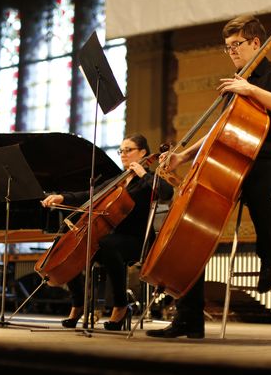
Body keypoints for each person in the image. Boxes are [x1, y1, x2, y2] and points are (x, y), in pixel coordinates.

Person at [146, 15, 271, 338]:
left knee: (258, 181)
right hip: (238, 161)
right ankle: (189, 317)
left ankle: (269, 257)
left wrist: (251, 90)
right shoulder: (235, 85)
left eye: (237, 45)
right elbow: (219, 132)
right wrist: (183, 155)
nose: (232, 52)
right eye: (227, 47)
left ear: (256, 43)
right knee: (194, 225)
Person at [41, 134, 173, 330]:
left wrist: (143, 174)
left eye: (129, 150)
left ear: (143, 152)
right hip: (109, 237)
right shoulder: (117, 181)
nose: (123, 155)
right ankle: (78, 304)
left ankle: (120, 306)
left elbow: (167, 193)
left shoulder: (148, 181)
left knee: (107, 244)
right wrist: (62, 197)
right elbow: (89, 196)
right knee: (71, 248)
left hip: (137, 241)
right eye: (121, 151)